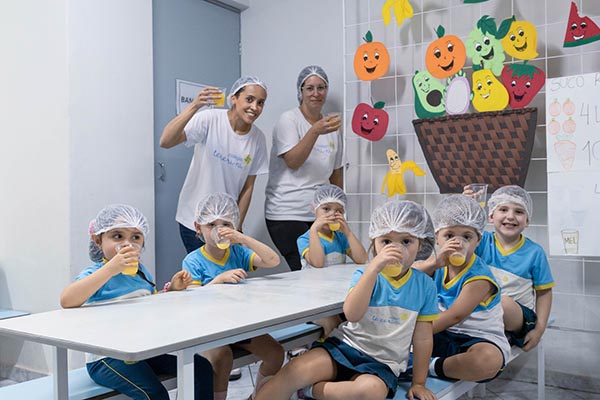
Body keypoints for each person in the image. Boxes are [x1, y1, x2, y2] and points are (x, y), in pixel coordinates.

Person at [256, 200, 439, 400]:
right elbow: (352, 314)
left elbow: (422, 338)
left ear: (421, 243)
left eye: (406, 241)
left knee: (371, 391)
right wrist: (373, 269)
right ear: (374, 243)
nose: (395, 249)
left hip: (382, 364)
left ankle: (309, 391)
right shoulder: (365, 273)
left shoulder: (424, 286)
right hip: (345, 347)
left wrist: (419, 383)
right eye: (386, 241)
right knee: (294, 370)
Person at [60, 204, 214, 400]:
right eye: (117, 236)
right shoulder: (95, 274)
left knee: (201, 368)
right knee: (155, 394)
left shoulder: (141, 272)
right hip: (107, 358)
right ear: (98, 240)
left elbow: (150, 305)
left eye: (136, 237)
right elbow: (67, 299)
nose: (128, 244)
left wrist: (173, 289)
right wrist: (110, 269)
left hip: (142, 349)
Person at [182, 192, 284, 400]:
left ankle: (258, 396)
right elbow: (191, 299)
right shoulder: (193, 261)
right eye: (211, 225)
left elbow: (273, 261)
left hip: (238, 325)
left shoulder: (238, 253)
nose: (219, 231)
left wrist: (242, 238)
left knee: (275, 353)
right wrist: (219, 280)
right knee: (222, 356)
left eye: (226, 224)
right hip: (209, 329)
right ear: (198, 228)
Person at [160, 76, 269, 253]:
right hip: (194, 219)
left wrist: (236, 226)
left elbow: (248, 188)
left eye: (261, 102)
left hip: (226, 223)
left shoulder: (258, 138)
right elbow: (166, 141)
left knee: (228, 275)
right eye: (249, 99)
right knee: (206, 276)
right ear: (234, 98)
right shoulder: (209, 119)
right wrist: (194, 106)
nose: (255, 107)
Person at [415, 195, 510, 383]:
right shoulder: (437, 264)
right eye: (449, 236)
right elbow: (408, 276)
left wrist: (412, 333)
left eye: (466, 236)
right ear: (437, 238)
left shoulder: (479, 277)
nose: (457, 243)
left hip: (476, 338)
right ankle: (424, 358)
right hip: (441, 334)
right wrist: (433, 263)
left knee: (487, 361)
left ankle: (430, 366)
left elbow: (454, 316)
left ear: (478, 241)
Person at [264, 65, 343, 271]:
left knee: (325, 268)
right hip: (287, 213)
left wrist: (339, 209)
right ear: (300, 92)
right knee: (305, 269)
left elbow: (336, 173)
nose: (316, 93)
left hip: (318, 213)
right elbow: (293, 161)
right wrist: (314, 131)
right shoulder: (289, 120)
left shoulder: (332, 126)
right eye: (309, 88)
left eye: (321, 87)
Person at [464, 184, 554, 351]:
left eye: (519, 212)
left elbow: (544, 293)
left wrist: (539, 329)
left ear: (527, 221)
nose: (510, 216)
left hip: (518, 318)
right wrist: (467, 209)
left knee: (502, 303)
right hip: (482, 314)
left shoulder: (534, 253)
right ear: (490, 216)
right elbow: (461, 239)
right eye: (503, 209)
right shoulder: (481, 242)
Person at [295, 184, 368, 340]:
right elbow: (318, 263)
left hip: (334, 295)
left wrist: (347, 232)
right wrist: (314, 230)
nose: (332, 214)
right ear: (314, 209)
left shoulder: (340, 237)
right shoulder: (304, 238)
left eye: (339, 210)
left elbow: (362, 259)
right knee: (333, 323)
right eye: (326, 209)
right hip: (312, 300)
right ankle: (325, 353)